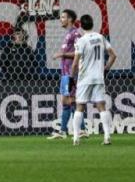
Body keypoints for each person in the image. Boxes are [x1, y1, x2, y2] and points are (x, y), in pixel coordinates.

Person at [71, 14, 116, 146]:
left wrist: (70, 77)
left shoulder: (82, 40)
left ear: (81, 26)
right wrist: (105, 69)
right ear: (92, 24)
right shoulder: (101, 37)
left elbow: (75, 63)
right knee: (101, 106)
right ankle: (107, 137)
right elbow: (113, 56)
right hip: (98, 77)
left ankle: (75, 138)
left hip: (85, 78)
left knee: (79, 106)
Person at [49, 9, 84, 139]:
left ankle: (72, 130)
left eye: (63, 17)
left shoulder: (75, 34)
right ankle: (75, 130)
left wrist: (62, 54)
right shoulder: (68, 34)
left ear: (70, 19)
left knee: (69, 100)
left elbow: (79, 53)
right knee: (67, 100)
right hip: (65, 73)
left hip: (71, 72)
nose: (61, 19)